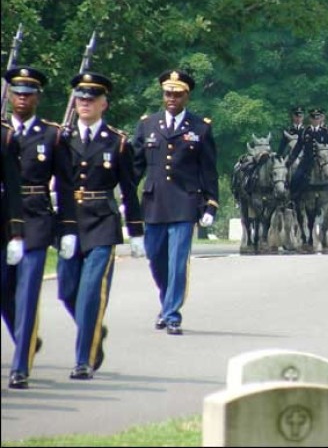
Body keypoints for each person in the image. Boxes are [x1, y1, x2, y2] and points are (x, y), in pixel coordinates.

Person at [57, 72, 145, 380]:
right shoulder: (62, 139)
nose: (85, 103)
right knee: (66, 291)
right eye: (80, 98)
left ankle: (83, 360)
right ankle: (93, 327)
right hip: (69, 222)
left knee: (90, 292)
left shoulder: (117, 142)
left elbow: (129, 188)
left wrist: (136, 232)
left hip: (102, 224)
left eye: (91, 99)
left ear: (103, 104)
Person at [1, 67, 78, 389]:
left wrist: (68, 228)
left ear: (37, 98)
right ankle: (25, 337)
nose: (22, 99)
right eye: (17, 93)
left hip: (35, 217)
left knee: (29, 289)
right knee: (5, 291)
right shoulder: (3, 133)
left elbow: (65, 183)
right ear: (9, 96)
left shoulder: (52, 135)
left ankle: (20, 366)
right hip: (3, 217)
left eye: (28, 94)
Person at [133, 69, 219, 336]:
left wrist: (211, 204)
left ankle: (171, 314)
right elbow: (135, 166)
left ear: (186, 96)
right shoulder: (148, 124)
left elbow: (208, 169)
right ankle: (166, 301)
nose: (171, 98)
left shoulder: (199, 127)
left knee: (177, 262)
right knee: (156, 258)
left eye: (177, 94)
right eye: (168, 93)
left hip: (185, 202)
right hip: (154, 202)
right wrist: (123, 196)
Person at [1, 121, 25, 385]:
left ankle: (24, 341)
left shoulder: (5, 137)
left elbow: (13, 189)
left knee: (5, 290)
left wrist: (16, 232)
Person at [286, 108, 328, 208]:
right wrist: (290, 160)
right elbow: (298, 147)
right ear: (310, 119)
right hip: (307, 161)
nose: (316, 120)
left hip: (324, 160)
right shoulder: (304, 131)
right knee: (296, 177)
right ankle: (293, 200)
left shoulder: (327, 131)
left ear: (320, 119)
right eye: (313, 118)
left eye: (318, 118)